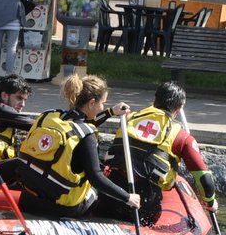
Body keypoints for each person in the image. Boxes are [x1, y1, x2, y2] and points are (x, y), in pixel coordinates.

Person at [15, 73, 140, 220]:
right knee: (95, 190)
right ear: (92, 103)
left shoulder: (49, 116)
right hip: (59, 209)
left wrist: (111, 112)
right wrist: (127, 197)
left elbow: (78, 126)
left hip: (27, 201)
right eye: (102, 103)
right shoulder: (87, 135)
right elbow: (96, 178)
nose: (103, 107)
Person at [104, 81, 218, 226]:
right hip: (144, 205)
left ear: (155, 99)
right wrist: (210, 202)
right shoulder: (182, 137)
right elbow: (205, 180)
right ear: (179, 107)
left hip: (109, 196)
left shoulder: (127, 118)